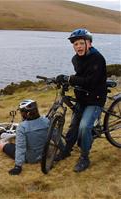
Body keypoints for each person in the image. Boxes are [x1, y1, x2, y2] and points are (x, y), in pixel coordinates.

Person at [55, 28, 107, 172]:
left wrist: (71, 79)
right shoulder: (75, 59)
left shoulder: (98, 58)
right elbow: (81, 75)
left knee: (84, 127)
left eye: (81, 43)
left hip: (95, 99)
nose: (78, 46)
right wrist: (66, 80)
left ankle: (84, 157)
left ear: (89, 43)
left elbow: (90, 81)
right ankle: (66, 151)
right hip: (82, 98)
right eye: (75, 44)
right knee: (73, 127)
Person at [0, 99, 49, 175]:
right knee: (26, 137)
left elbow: (20, 147)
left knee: (5, 145)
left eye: (22, 111)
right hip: (46, 154)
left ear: (26, 113)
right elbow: (56, 137)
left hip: (30, 158)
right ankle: (9, 136)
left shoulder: (22, 127)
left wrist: (18, 166)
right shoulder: (46, 121)